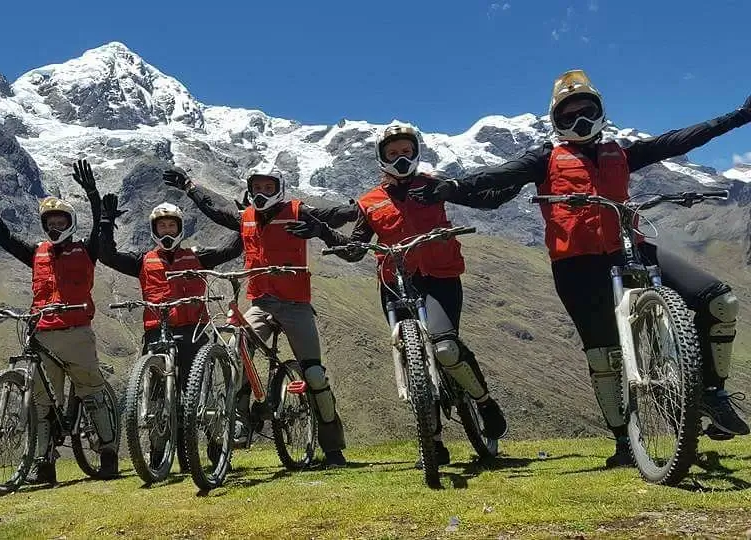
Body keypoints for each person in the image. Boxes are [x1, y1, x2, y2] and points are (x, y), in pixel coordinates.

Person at [414, 70, 751, 466]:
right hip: (576, 266)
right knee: (603, 357)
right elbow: (500, 174)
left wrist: (737, 117)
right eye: (569, 116)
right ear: (556, 121)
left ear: (600, 112)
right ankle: (625, 442)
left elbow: (676, 139)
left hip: (631, 248)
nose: (580, 123)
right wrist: (454, 188)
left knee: (719, 301)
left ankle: (712, 392)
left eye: (587, 112)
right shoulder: (545, 158)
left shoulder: (621, 151)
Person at [287, 123, 514, 467]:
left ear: (416, 152)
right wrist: (322, 232)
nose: (401, 158)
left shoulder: (435, 185)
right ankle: (432, 440)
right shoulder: (370, 202)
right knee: (412, 359)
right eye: (393, 153)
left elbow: (484, 200)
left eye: (406, 151)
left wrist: (523, 176)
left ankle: (483, 401)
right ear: (381, 158)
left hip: (440, 277)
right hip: (394, 282)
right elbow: (354, 250)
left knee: (445, 346)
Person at [163, 165, 356, 466]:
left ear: (279, 187)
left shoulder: (297, 210)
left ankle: (333, 448)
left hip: (295, 304)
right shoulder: (245, 218)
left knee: (315, 374)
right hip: (261, 303)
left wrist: (353, 211)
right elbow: (215, 209)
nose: (262, 193)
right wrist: (189, 187)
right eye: (257, 188)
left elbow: (330, 216)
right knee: (235, 353)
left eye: (268, 187)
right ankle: (238, 423)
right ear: (250, 189)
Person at [0, 159, 118, 484]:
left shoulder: (87, 249)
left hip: (77, 334)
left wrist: (93, 194)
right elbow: (5, 238)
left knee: (93, 394)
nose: (55, 225)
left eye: (61, 219)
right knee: (41, 404)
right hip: (42, 335)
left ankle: (108, 455)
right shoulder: (37, 252)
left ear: (70, 222)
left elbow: (100, 226)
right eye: (50, 221)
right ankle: (44, 466)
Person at [98, 194, 242, 467]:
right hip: (157, 333)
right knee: (156, 397)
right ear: (154, 230)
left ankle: (214, 446)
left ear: (179, 228)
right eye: (162, 227)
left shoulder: (197, 256)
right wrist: (106, 222)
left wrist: (242, 220)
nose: (167, 231)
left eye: (171, 226)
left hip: (194, 332)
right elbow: (107, 255)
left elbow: (231, 251)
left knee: (199, 393)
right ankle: (157, 456)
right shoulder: (143, 260)